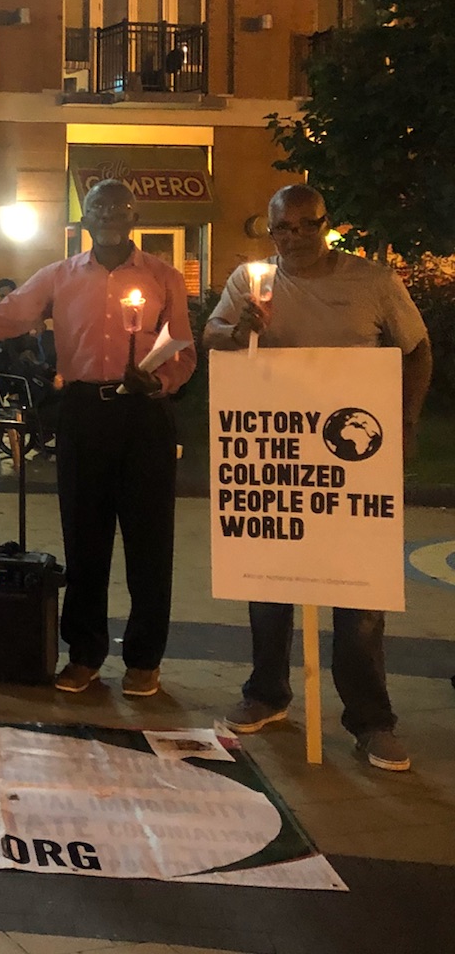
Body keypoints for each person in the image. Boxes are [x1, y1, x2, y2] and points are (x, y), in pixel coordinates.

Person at [204, 184, 431, 772]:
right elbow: (212, 338)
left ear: (327, 224)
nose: (297, 237)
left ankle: (371, 720)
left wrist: (406, 421)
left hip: (354, 461)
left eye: (309, 225)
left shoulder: (373, 281)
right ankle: (266, 694)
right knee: (268, 581)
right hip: (277, 461)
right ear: (271, 230)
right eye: (284, 227)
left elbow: (417, 349)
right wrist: (240, 329)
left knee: (359, 595)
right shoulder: (250, 282)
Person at [0, 180, 196, 697]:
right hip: (84, 412)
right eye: (99, 207)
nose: (109, 215)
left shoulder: (164, 277)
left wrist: (161, 381)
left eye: (120, 207)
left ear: (135, 216)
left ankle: (144, 660)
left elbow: (184, 351)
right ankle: (84, 654)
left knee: (151, 541)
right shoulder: (59, 276)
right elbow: (2, 318)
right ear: (85, 218)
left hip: (146, 414)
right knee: (84, 537)